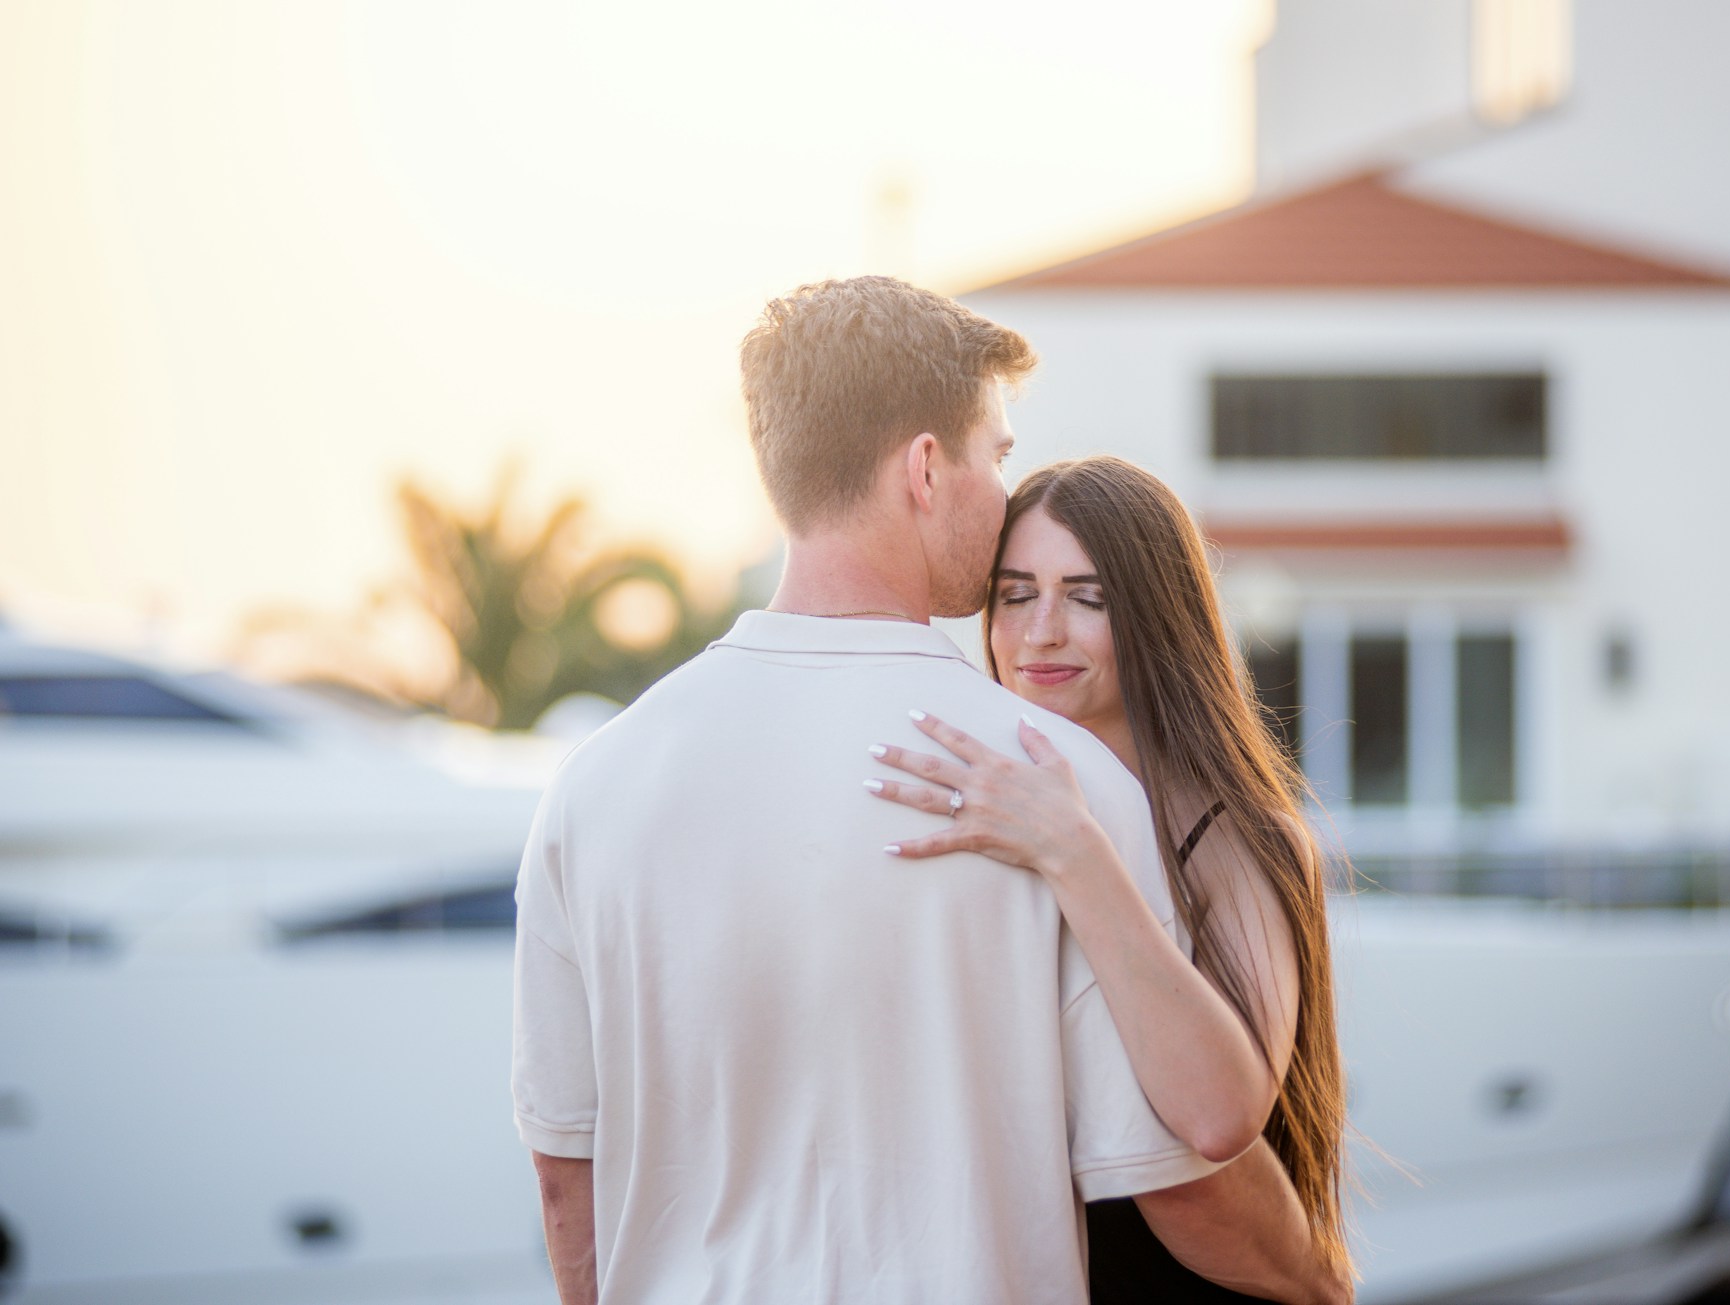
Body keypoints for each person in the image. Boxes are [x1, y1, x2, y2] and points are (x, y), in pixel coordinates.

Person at [510, 277, 1336, 1305]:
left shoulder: (593, 784)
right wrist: (1318, 1278)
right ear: (926, 467)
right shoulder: (1056, 781)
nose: (1003, 496)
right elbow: (1184, 1173)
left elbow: (563, 1179)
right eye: (998, 454)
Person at [868, 455, 1354, 1304]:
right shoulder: (972, 808)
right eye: (1015, 594)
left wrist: (1075, 852)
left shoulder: (1244, 839)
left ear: (1161, 619)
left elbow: (1214, 1118)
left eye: (1088, 597)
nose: (1041, 631)